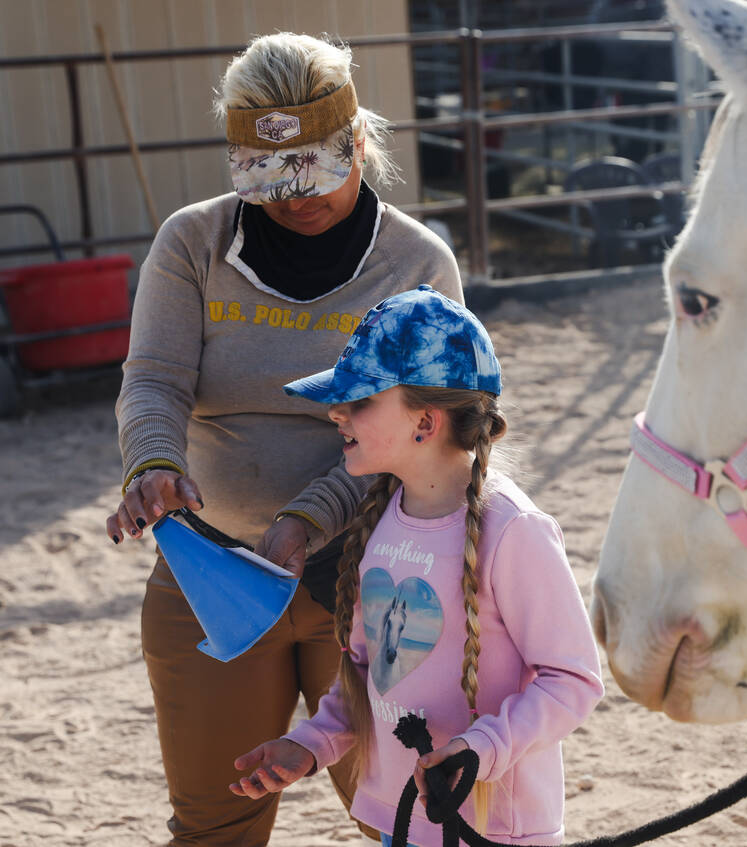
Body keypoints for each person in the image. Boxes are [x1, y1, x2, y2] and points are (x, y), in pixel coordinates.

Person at [105, 33, 463, 847]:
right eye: (271, 180)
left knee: (407, 819)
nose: (296, 200)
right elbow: (154, 378)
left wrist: (307, 518)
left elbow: (416, 438)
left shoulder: (417, 264)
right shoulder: (192, 245)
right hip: (211, 574)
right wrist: (154, 463)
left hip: (379, 580)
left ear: (359, 143)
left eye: (314, 174)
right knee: (214, 821)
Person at [227, 286, 604, 847]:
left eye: (360, 401)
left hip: (494, 827)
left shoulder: (513, 531)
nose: (336, 412)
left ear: (425, 424)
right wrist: (311, 743)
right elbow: (366, 671)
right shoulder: (381, 514)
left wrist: (483, 750)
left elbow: (572, 679)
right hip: (398, 822)